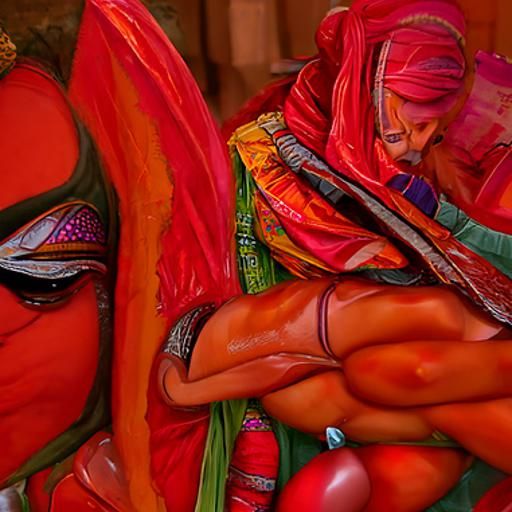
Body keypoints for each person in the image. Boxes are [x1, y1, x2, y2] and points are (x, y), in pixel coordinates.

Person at [153, 0, 512, 511]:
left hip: (403, 418)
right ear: (359, 90)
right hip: (294, 413)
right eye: (406, 121)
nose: (416, 143)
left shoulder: (431, 170)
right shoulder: (258, 166)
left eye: (433, 126)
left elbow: (491, 279)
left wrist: (445, 216)